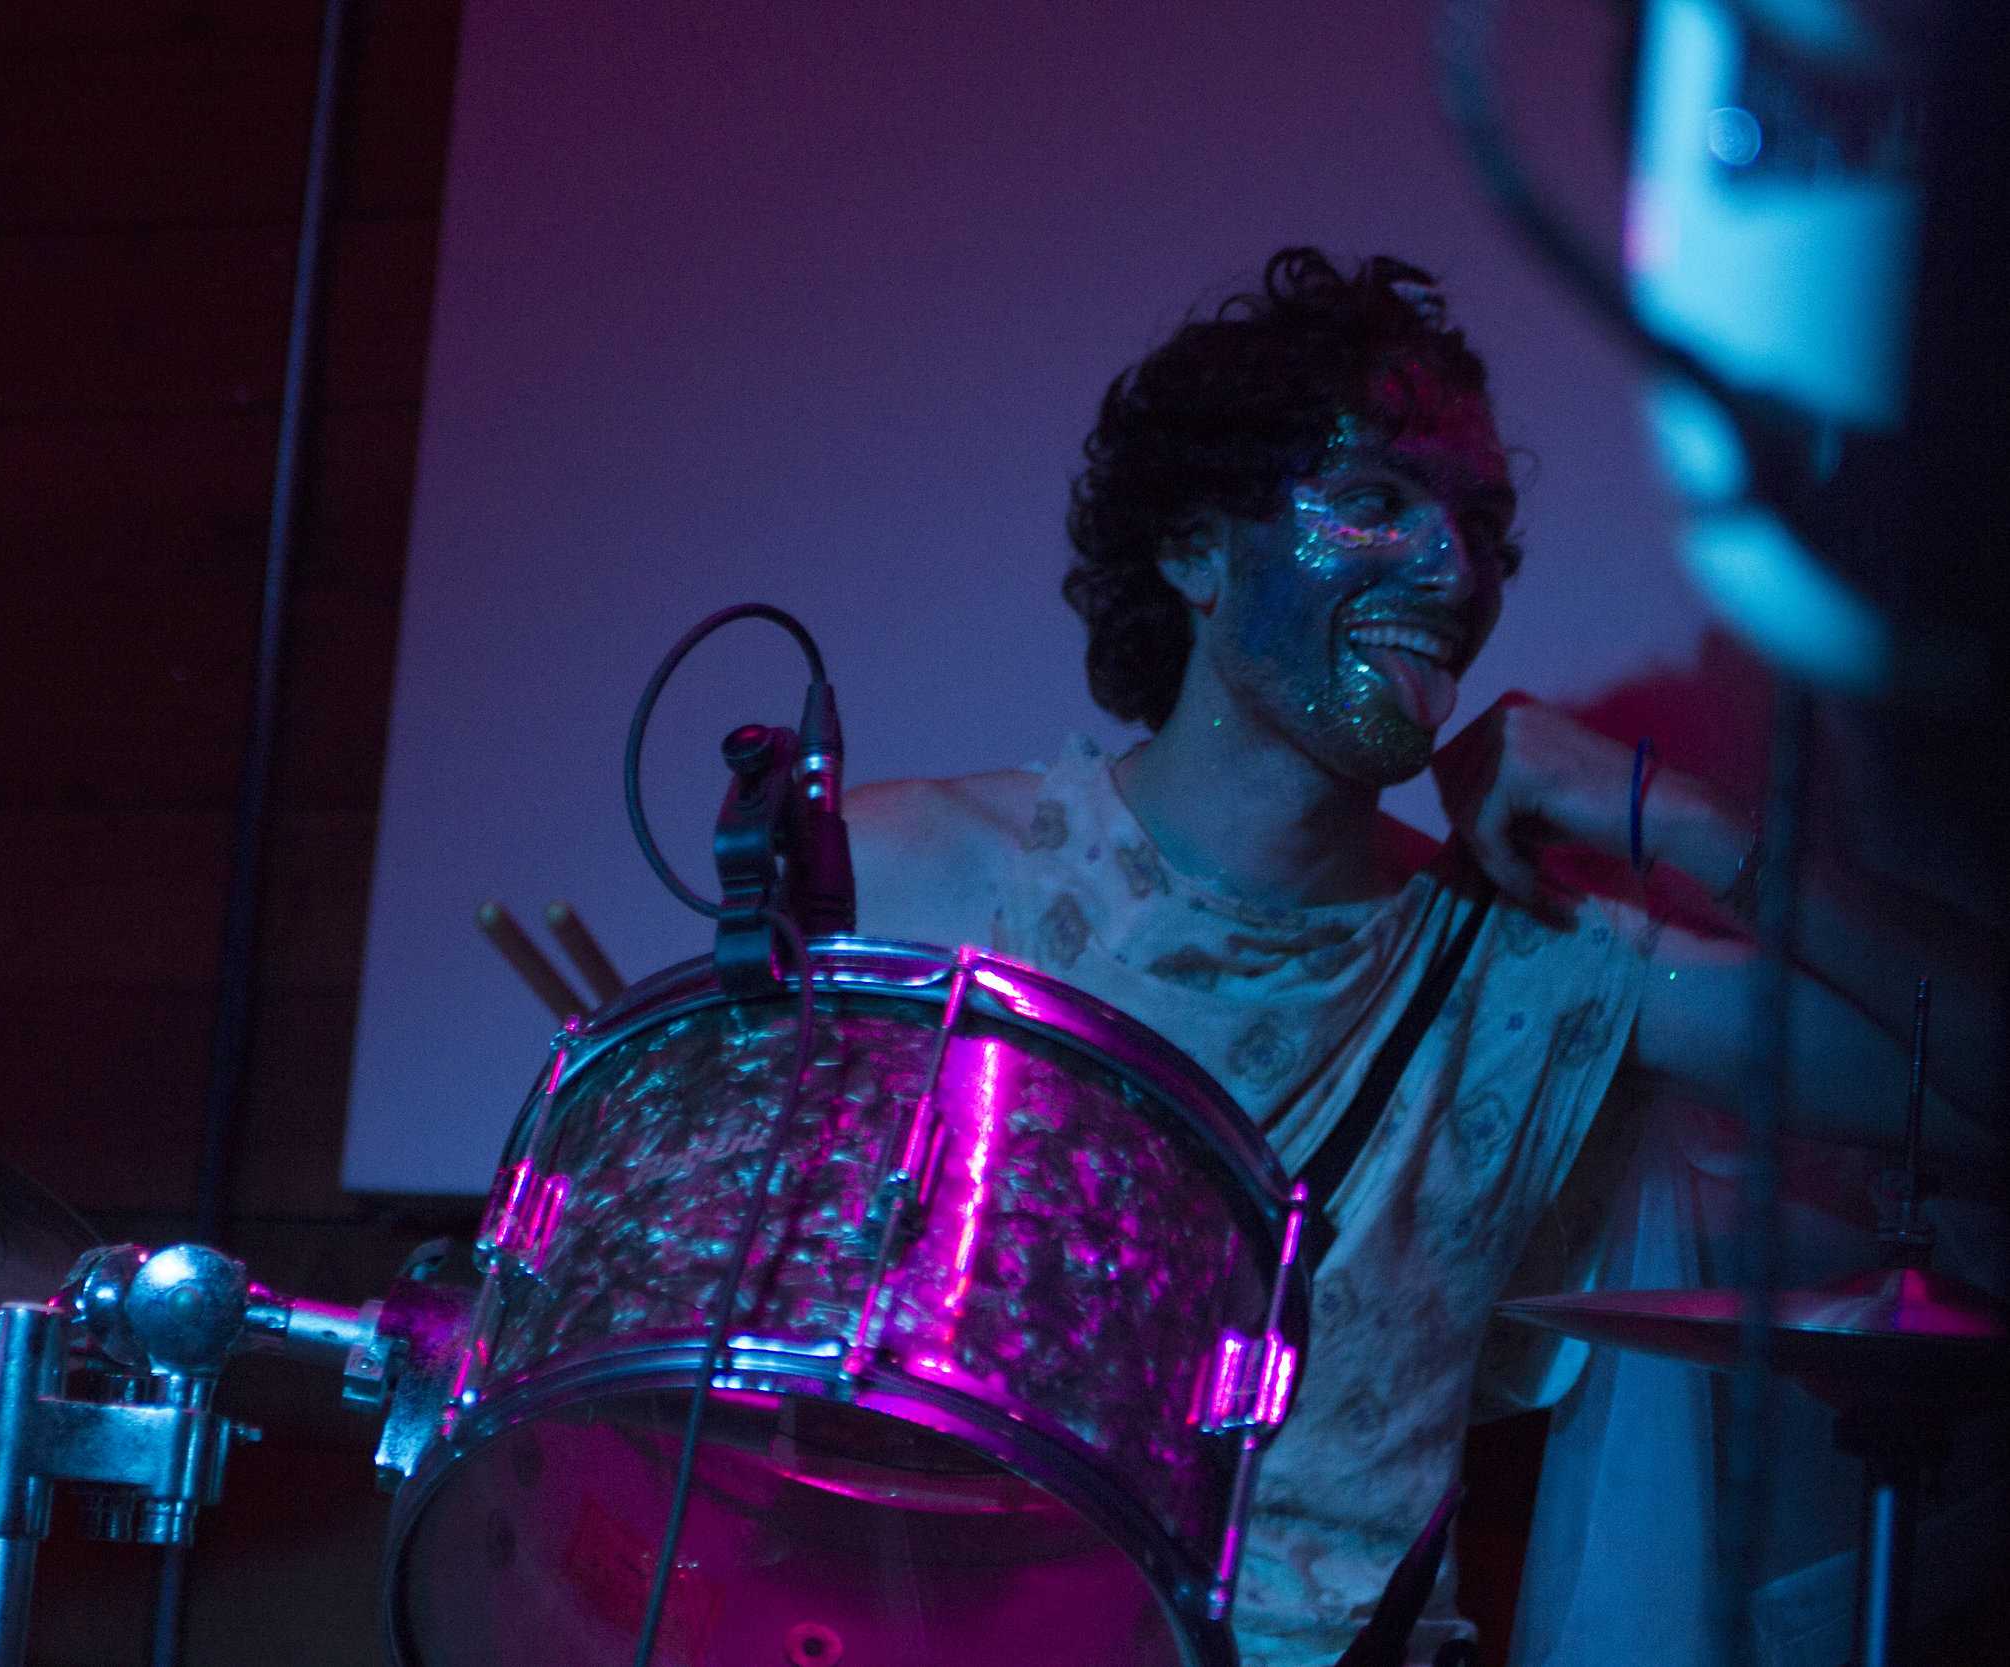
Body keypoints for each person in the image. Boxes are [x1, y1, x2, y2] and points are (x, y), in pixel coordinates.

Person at [844, 248, 1998, 1667]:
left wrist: (1677, 817)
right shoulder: (912, 878)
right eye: (1378, 504)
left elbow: (1978, 1074)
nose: (1454, 572)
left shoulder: (1539, 976)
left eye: (1484, 527)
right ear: (1198, 549)